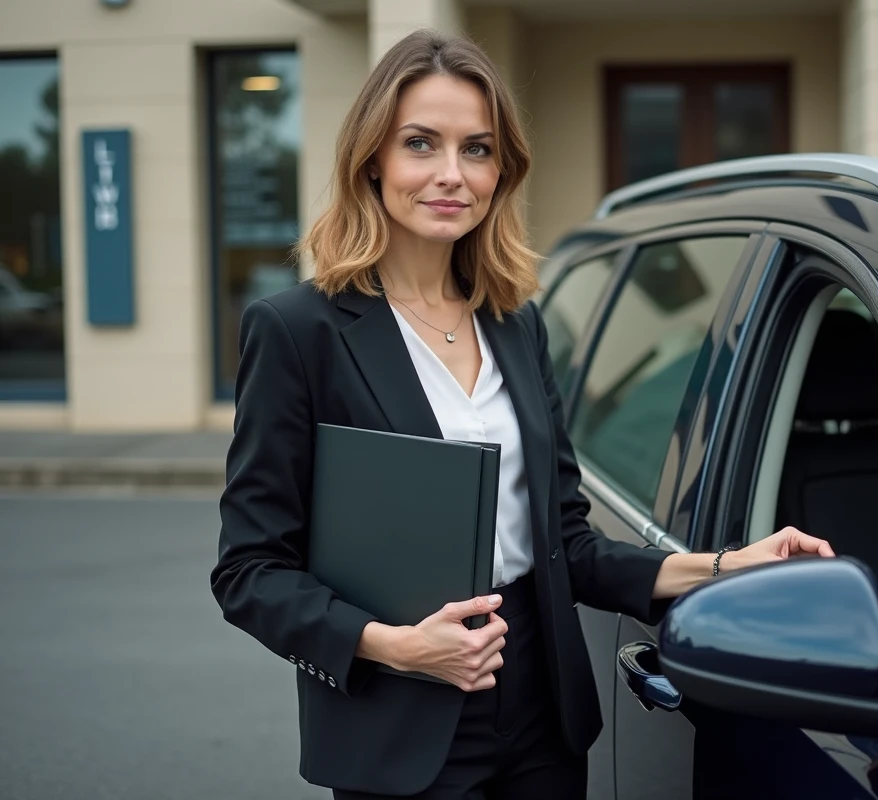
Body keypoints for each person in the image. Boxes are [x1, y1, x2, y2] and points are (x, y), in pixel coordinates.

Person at [209, 28, 835, 800]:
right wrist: (397, 647)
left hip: (542, 708)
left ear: (500, 170)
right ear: (372, 160)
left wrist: (727, 566)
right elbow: (250, 571)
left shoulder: (514, 323)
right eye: (420, 144)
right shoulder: (299, 331)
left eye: (476, 149)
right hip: (399, 719)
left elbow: (569, 545)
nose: (452, 174)